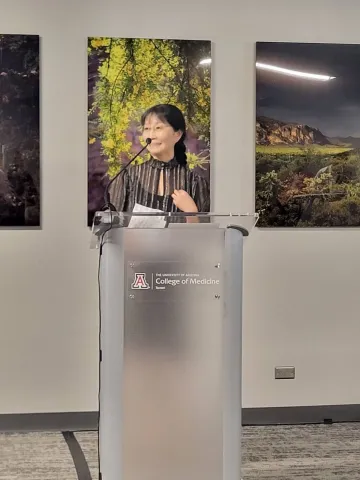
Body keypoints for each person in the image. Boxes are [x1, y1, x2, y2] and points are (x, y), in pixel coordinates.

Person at [108, 104, 210, 221]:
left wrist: (191, 211)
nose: (150, 136)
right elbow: (111, 228)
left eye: (158, 128)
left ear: (177, 134)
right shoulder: (127, 177)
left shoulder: (195, 181)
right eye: (146, 129)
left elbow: (202, 235)